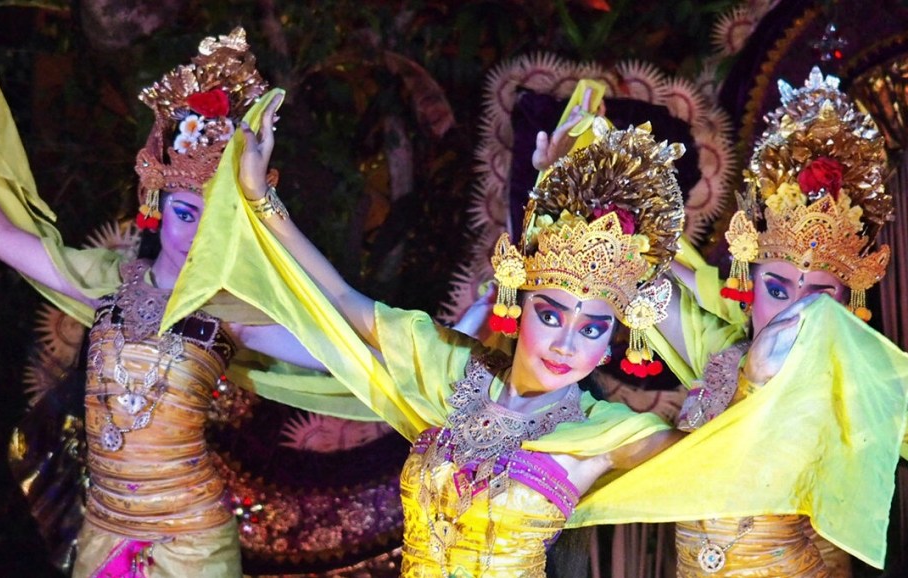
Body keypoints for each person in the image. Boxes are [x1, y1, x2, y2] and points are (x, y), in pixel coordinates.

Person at [178, 79, 688, 575]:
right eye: (550, 315)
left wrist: (757, 377)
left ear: (609, 347)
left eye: (592, 330)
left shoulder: (607, 433)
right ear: (517, 307)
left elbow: (730, 460)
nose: (566, 344)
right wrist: (259, 199)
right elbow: (341, 299)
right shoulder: (450, 372)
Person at [0, 29, 340, 578]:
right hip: (105, 529)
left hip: (190, 543)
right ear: (156, 203)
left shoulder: (233, 312)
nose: (193, 236)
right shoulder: (110, 280)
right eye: (186, 214)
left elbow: (349, 345)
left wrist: (458, 351)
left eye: (212, 221)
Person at [567, 67, 908, 577]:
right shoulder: (721, 356)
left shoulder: (860, 387)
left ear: (849, 303)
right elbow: (640, 272)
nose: (793, 311)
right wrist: (583, 159)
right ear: (748, 287)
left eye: (818, 296)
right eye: (776, 289)